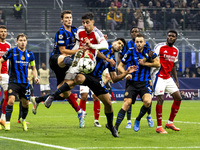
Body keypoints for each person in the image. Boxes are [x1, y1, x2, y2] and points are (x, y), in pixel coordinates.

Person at [45, 37, 137, 137]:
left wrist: (126, 73)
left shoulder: (112, 61)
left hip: (96, 80)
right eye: (118, 43)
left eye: (121, 46)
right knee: (78, 79)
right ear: (114, 42)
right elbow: (94, 50)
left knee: (108, 103)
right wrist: (106, 58)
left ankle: (110, 126)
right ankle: (52, 96)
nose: (119, 46)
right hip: (87, 73)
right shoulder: (101, 47)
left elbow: (114, 79)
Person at [30, 10, 87, 128]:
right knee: (64, 57)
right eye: (66, 18)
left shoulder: (76, 30)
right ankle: (73, 63)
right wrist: (78, 52)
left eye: (70, 17)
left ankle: (79, 112)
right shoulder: (61, 32)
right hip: (56, 60)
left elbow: (84, 38)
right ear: (62, 20)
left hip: (66, 65)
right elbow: (62, 51)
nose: (69, 20)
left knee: (63, 92)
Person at [114, 34, 159, 132]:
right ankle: (115, 128)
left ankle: (138, 119)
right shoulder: (130, 52)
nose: (139, 44)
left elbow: (158, 64)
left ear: (144, 42)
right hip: (132, 83)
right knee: (127, 103)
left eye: (141, 42)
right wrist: (125, 74)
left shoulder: (149, 52)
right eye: (137, 42)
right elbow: (120, 66)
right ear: (135, 43)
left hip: (145, 83)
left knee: (147, 102)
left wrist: (145, 63)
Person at [0, 33, 39, 131]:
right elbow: (1, 61)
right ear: (17, 42)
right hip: (13, 82)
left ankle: (23, 119)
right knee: (11, 100)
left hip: (25, 83)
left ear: (27, 42)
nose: (22, 42)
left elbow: (34, 68)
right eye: (20, 40)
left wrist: (36, 77)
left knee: (25, 103)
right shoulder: (11, 51)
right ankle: (7, 123)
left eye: (24, 40)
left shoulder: (30, 54)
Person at [151, 30, 182, 134]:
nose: (171, 37)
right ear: (166, 37)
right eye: (169, 35)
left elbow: (173, 66)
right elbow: (152, 59)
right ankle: (159, 126)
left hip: (168, 77)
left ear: (175, 38)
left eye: (173, 36)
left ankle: (169, 123)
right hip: (158, 76)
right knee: (160, 99)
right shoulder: (159, 47)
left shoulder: (176, 50)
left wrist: (176, 80)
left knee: (178, 98)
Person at [0, 25, 11, 129]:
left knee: (7, 96)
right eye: (1, 31)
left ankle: (2, 118)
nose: (3, 33)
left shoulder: (8, 45)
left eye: (4, 31)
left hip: (5, 74)